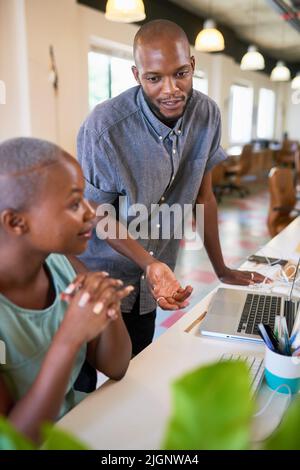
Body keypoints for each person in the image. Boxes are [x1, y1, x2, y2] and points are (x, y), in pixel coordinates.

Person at [77, 19, 265, 356]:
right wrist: (148, 263)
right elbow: (98, 216)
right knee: (85, 381)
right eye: (154, 78)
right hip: (101, 273)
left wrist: (221, 268)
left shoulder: (207, 114)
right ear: (136, 76)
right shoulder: (104, 127)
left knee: (136, 368)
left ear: (192, 64)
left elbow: (203, 197)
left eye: (180, 73)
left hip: (156, 278)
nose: (170, 89)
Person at [0, 137, 133, 443]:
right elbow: (14, 441)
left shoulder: (62, 264)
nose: (90, 212)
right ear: (17, 222)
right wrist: (69, 339)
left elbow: (117, 366)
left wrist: (105, 303)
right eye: (74, 203)